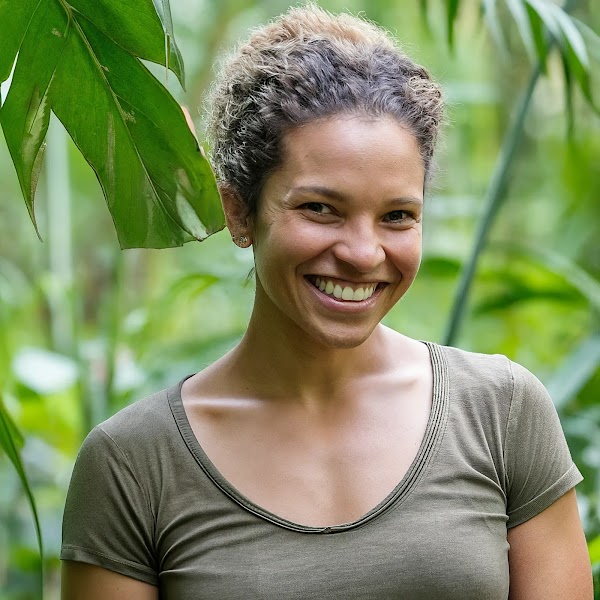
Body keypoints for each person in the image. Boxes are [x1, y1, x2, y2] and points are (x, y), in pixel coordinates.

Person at [60, 4, 593, 599]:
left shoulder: (501, 413)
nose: (364, 253)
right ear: (239, 210)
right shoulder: (135, 464)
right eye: (320, 209)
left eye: (397, 216)